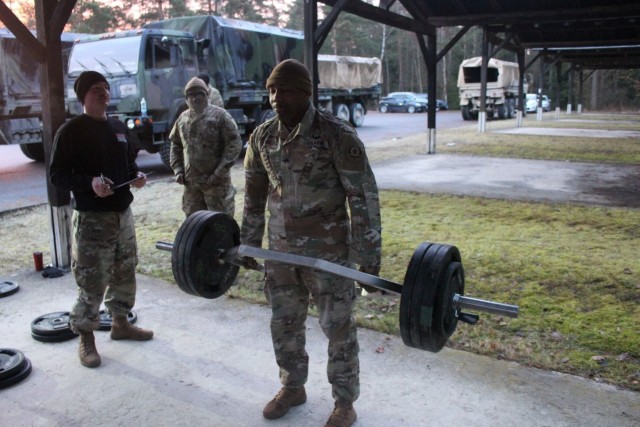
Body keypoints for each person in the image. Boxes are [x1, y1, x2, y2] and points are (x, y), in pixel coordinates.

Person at [240, 59, 381, 427]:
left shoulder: (336, 135)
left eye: (284, 90)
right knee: (284, 323)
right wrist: (249, 243)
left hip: (328, 256)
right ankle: (292, 387)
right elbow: (253, 195)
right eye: (271, 90)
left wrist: (368, 256)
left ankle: (344, 402)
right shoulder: (262, 137)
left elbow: (362, 196)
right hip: (280, 254)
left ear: (305, 92)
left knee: (338, 328)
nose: (276, 98)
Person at [49, 70, 154, 369]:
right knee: (92, 279)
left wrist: (136, 177)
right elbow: (57, 175)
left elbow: (130, 163)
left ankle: (120, 323)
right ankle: (86, 338)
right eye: (96, 88)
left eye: (106, 88)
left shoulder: (119, 127)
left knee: (125, 271)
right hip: (92, 219)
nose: (104, 92)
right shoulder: (71, 131)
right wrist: (90, 183)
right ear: (83, 95)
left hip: (123, 215)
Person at [169, 77, 242, 217]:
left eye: (198, 94)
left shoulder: (221, 116)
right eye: (190, 95)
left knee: (220, 225)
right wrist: (178, 169)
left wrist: (219, 172)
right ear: (186, 98)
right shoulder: (182, 119)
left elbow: (234, 143)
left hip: (216, 185)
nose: (194, 98)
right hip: (192, 186)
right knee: (195, 225)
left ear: (206, 95)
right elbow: (175, 144)